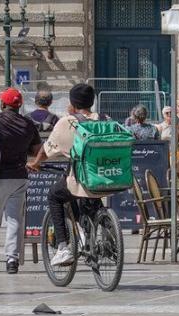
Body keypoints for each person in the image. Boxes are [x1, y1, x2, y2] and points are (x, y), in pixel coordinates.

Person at [26, 83, 106, 267]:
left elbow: (47, 150)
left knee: (54, 196)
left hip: (80, 178)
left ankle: (62, 247)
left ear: (72, 102)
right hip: (104, 177)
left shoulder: (68, 122)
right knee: (91, 200)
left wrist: (36, 164)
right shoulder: (103, 118)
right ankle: (104, 236)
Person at [0, 88, 42, 274]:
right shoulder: (28, 124)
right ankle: (12, 260)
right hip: (19, 177)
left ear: (2, 104)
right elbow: (39, 150)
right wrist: (30, 158)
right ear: (19, 106)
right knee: (14, 220)